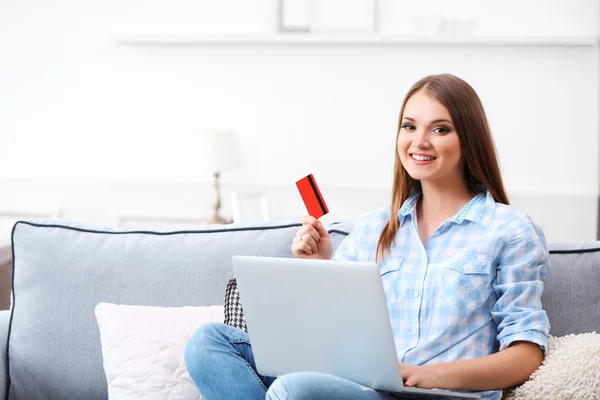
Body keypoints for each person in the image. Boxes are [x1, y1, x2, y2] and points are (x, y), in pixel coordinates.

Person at [184, 74, 550, 400]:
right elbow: (330, 332)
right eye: (409, 126)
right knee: (209, 343)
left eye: (440, 129)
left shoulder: (509, 230)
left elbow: (526, 353)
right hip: (357, 386)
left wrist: (426, 375)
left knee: (294, 390)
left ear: (468, 138)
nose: (419, 141)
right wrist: (319, 268)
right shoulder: (372, 229)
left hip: (439, 394)